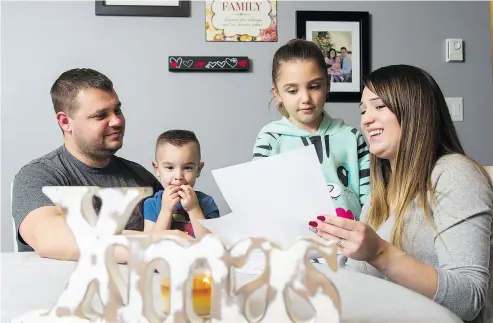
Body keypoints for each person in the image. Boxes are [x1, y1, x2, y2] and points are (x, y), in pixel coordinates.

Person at [309, 64, 493, 322]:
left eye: (379, 106)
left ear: (415, 110)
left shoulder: (454, 173)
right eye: (363, 110)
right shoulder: (380, 192)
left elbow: (470, 299)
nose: (366, 119)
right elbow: (360, 275)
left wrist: (379, 253)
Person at [12, 68, 190, 261]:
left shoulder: (139, 175)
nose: (116, 121)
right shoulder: (39, 175)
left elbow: (183, 229)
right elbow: (48, 238)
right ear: (65, 122)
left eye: (118, 110)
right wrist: (151, 243)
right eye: (100, 115)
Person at [253, 39, 370, 221]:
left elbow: (370, 201)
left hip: (350, 244)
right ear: (277, 93)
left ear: (328, 84)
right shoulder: (269, 139)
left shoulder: (352, 137)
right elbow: (261, 200)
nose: (305, 98)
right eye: (292, 90)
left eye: (314, 86)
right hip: (292, 245)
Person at [143, 130, 219, 239]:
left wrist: (194, 209)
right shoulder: (152, 204)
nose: (178, 176)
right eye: (170, 168)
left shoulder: (207, 203)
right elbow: (151, 244)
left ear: (198, 170)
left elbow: (212, 245)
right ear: (157, 169)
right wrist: (166, 210)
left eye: (187, 168)